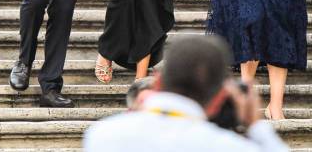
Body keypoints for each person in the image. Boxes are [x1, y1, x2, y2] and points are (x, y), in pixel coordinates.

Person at [84, 34, 289, 152]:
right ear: (220, 97)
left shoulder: (102, 135)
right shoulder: (228, 146)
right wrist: (254, 125)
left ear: (157, 80)